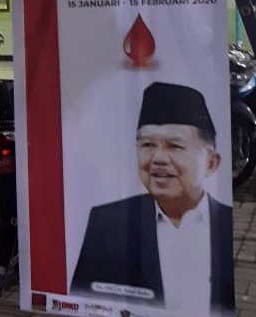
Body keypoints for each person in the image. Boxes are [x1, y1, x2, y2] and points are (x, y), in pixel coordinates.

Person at [70, 81, 234, 315]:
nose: (158, 158)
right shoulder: (106, 223)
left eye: (175, 146)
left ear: (211, 162)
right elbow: (84, 301)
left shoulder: (225, 224)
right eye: (147, 144)